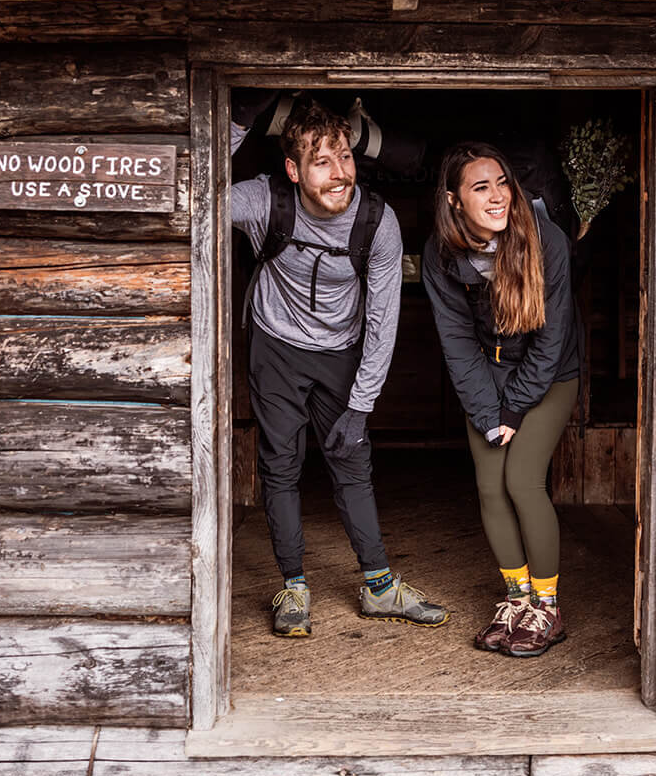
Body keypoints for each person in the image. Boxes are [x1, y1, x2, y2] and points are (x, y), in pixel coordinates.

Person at [231, 96, 449, 637]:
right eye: (322, 160)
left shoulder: (378, 221)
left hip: (341, 350)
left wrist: (360, 405)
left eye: (345, 157)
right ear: (294, 169)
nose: (339, 173)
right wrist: (236, 123)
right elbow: (195, 191)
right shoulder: (265, 201)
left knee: (352, 463)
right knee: (280, 464)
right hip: (275, 345)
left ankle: (379, 587)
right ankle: (293, 587)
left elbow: (383, 320)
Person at [422, 142, 582, 658]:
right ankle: (517, 601)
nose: (498, 196)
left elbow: (551, 339)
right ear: (453, 200)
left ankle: (548, 607)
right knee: (490, 485)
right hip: (487, 372)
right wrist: (488, 412)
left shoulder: (545, 239)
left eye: (502, 183)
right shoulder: (441, 252)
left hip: (551, 373)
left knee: (522, 480)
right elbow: (456, 342)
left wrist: (513, 410)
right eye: (480, 187)